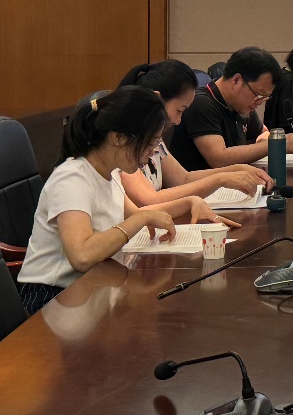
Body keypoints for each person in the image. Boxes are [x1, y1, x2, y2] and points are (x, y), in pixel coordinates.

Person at [17, 86, 237, 314]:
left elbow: (136, 215)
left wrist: (190, 202)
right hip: (53, 298)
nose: (152, 153)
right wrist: (143, 218)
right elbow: (82, 255)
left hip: (91, 287)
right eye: (149, 144)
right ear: (118, 138)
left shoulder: (109, 172)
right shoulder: (72, 179)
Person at [116, 60, 274, 206]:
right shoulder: (122, 142)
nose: (178, 121)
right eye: (179, 111)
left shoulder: (155, 139)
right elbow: (150, 200)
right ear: (156, 99)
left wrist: (237, 170)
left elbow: (183, 178)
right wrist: (220, 179)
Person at [169, 47, 293, 170]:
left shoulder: (241, 106)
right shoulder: (201, 103)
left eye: (265, 97)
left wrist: (263, 143)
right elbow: (219, 159)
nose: (260, 102)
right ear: (236, 80)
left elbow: (264, 133)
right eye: (258, 94)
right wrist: (275, 145)